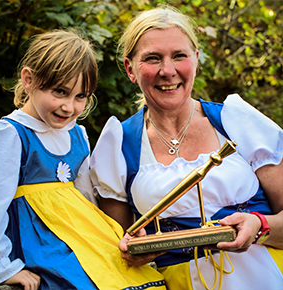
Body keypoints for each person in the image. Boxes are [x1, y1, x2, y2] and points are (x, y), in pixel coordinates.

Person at [90, 5, 283, 290]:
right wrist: (132, 253)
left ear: (194, 59)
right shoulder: (118, 143)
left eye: (179, 56)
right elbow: (115, 249)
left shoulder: (236, 120)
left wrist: (260, 227)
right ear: (130, 69)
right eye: (152, 58)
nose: (167, 71)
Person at [0, 29, 165, 290]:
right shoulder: (11, 134)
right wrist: (4, 268)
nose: (69, 107)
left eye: (80, 96)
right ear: (28, 80)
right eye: (59, 91)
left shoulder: (77, 134)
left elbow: (85, 196)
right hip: (41, 243)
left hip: (79, 235)